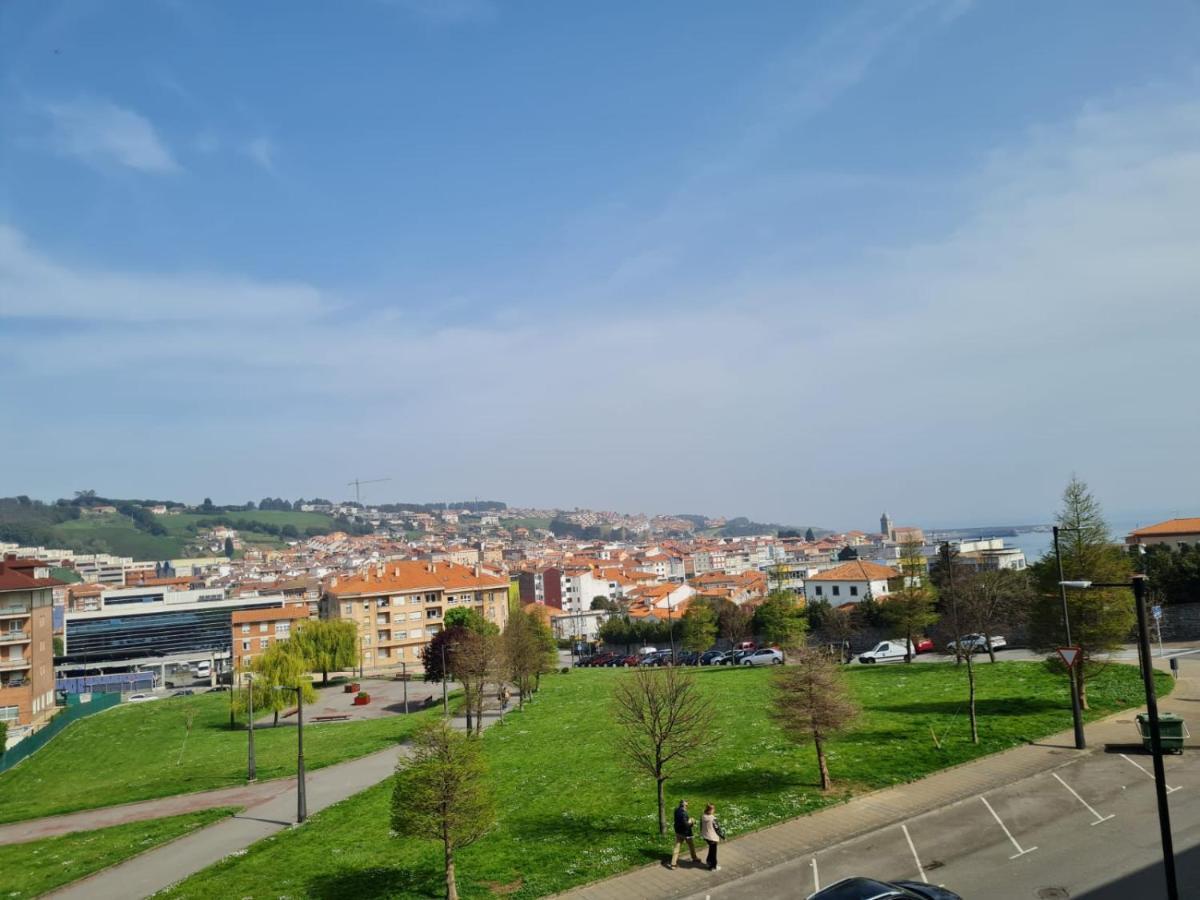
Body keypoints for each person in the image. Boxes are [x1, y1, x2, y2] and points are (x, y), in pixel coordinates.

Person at [668, 799, 701, 868]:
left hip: (678, 831)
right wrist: (692, 822)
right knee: (691, 846)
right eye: (686, 805)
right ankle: (694, 858)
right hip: (686, 833)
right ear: (683, 805)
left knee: (677, 847)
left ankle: (673, 864)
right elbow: (686, 825)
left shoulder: (676, 810)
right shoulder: (684, 813)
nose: (687, 806)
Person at [700, 803, 723, 871]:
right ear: (711, 810)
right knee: (713, 852)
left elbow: (701, 825)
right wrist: (722, 836)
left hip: (706, 836)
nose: (714, 810)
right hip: (712, 838)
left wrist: (702, 833)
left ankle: (708, 862)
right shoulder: (713, 819)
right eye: (713, 809)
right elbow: (717, 829)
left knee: (711, 850)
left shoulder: (703, 816)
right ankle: (713, 866)